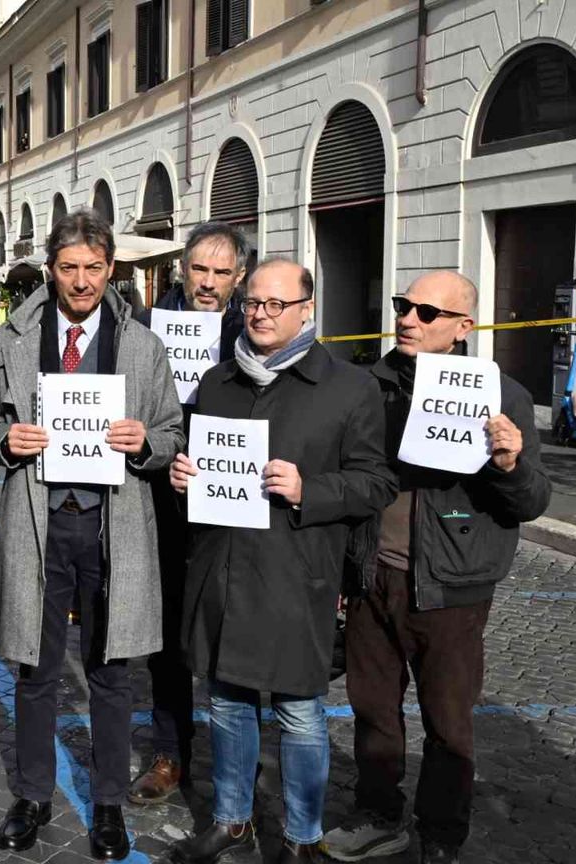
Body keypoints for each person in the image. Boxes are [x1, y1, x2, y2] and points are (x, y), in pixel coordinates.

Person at [169, 258, 397, 864]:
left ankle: (302, 836)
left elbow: (376, 482)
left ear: (306, 310)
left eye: (276, 304)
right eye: (252, 303)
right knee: (226, 704)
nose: (261, 314)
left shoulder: (350, 387)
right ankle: (231, 822)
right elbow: (200, 464)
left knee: (298, 712)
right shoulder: (217, 382)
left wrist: (308, 489)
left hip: (297, 575)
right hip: (222, 572)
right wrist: (182, 476)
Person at [0, 211, 185, 857]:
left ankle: (108, 803)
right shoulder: (12, 339)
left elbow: (172, 431)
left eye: (94, 268)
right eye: (69, 268)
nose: (83, 280)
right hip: (37, 519)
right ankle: (33, 794)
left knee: (111, 670)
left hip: (112, 523)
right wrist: (3, 440)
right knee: (34, 668)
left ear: (111, 268)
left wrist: (145, 442)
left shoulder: (142, 345)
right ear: (51, 270)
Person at [320, 272, 551, 864]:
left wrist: (509, 464)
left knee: (448, 721)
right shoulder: (369, 386)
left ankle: (442, 836)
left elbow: (531, 501)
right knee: (373, 710)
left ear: (462, 327)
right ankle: (379, 815)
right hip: (373, 575)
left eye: (426, 312)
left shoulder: (503, 395)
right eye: (404, 306)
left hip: (453, 586)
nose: (407, 319)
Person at [130, 221, 250, 805]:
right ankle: (170, 751)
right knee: (169, 635)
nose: (208, 282)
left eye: (221, 272)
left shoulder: (251, 331)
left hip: (230, 499)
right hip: (160, 497)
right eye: (199, 268)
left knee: (235, 631)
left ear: (239, 278)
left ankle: (238, 760)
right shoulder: (146, 328)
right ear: (182, 269)